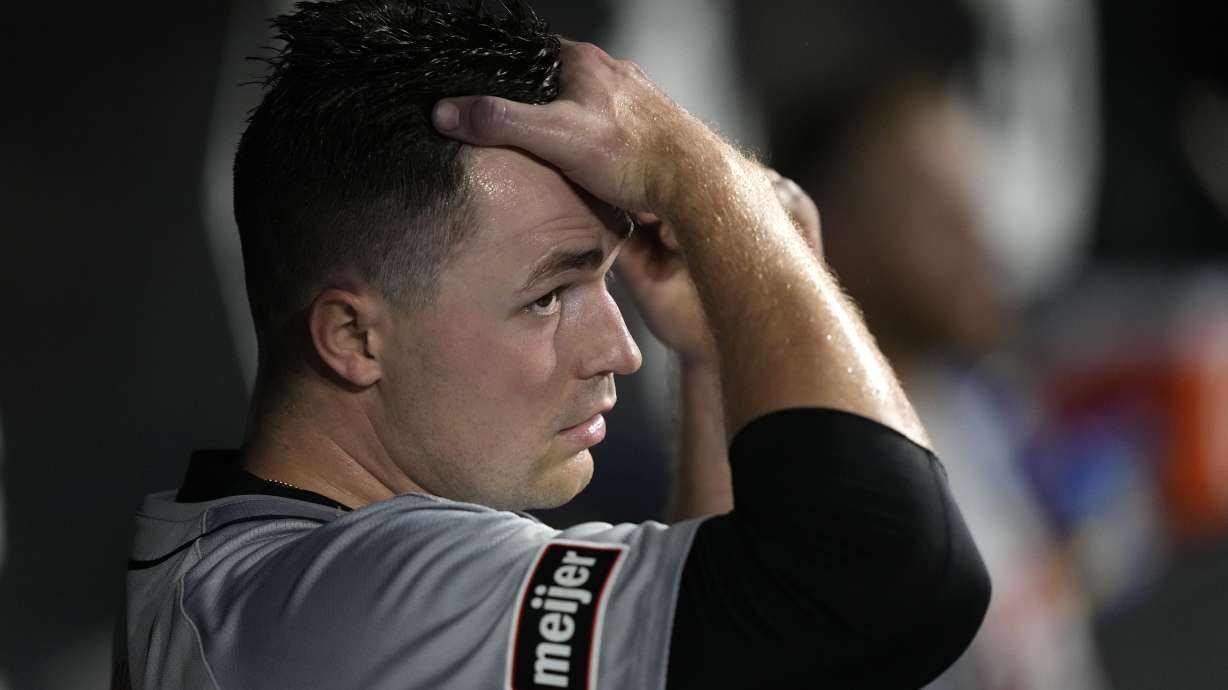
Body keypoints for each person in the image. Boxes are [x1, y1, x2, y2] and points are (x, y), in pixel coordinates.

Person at [119, 1, 990, 688]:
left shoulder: (261, 575)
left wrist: (718, 353)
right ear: (352, 337)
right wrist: (710, 183)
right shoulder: (353, 595)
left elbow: (742, 662)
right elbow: (895, 573)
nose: (621, 348)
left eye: (604, 278)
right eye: (547, 296)